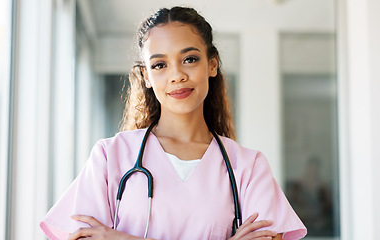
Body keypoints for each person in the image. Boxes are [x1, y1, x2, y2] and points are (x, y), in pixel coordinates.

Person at [40, 6, 307, 240]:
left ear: (212, 64)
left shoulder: (248, 168)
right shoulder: (110, 157)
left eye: (189, 59)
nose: (177, 75)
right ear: (145, 76)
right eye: (159, 65)